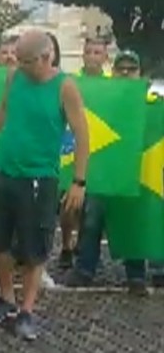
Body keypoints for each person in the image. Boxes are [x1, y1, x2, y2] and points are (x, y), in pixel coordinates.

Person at [0, 30, 88, 341]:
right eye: (18, 61)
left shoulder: (65, 87)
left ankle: (27, 310)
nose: (21, 66)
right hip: (3, 170)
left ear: (47, 58)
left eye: (27, 62)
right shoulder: (14, 76)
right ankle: (6, 299)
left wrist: (79, 181)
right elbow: (4, 111)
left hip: (39, 177)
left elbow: (82, 134)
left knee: (34, 248)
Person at [68, 49, 154, 294]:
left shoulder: (148, 102)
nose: (126, 73)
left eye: (131, 69)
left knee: (132, 223)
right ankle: (84, 269)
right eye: (121, 69)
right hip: (103, 173)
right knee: (92, 220)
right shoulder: (104, 99)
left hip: (134, 176)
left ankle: (136, 276)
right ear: (113, 71)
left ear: (139, 73)